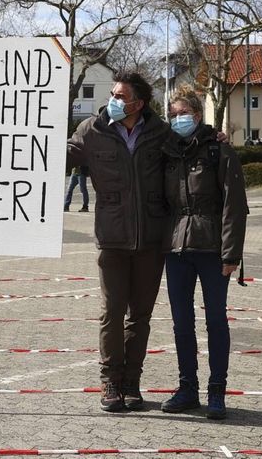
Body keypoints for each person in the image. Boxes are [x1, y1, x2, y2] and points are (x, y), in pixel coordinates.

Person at [67, 70, 171, 413]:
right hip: (111, 238)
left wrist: (216, 141)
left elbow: (190, 157)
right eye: (112, 93)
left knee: (139, 316)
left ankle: (131, 382)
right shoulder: (92, 130)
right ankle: (111, 380)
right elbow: (55, 156)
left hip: (152, 240)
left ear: (139, 103)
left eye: (121, 96)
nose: (113, 100)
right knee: (111, 312)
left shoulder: (161, 133)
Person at [158, 88, 248, 420]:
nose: (175, 119)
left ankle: (217, 391)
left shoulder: (219, 151)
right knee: (182, 323)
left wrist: (231, 254)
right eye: (172, 114)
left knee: (215, 322)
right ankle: (187, 389)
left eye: (181, 113)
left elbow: (234, 207)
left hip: (212, 250)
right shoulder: (166, 151)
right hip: (176, 249)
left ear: (197, 115)